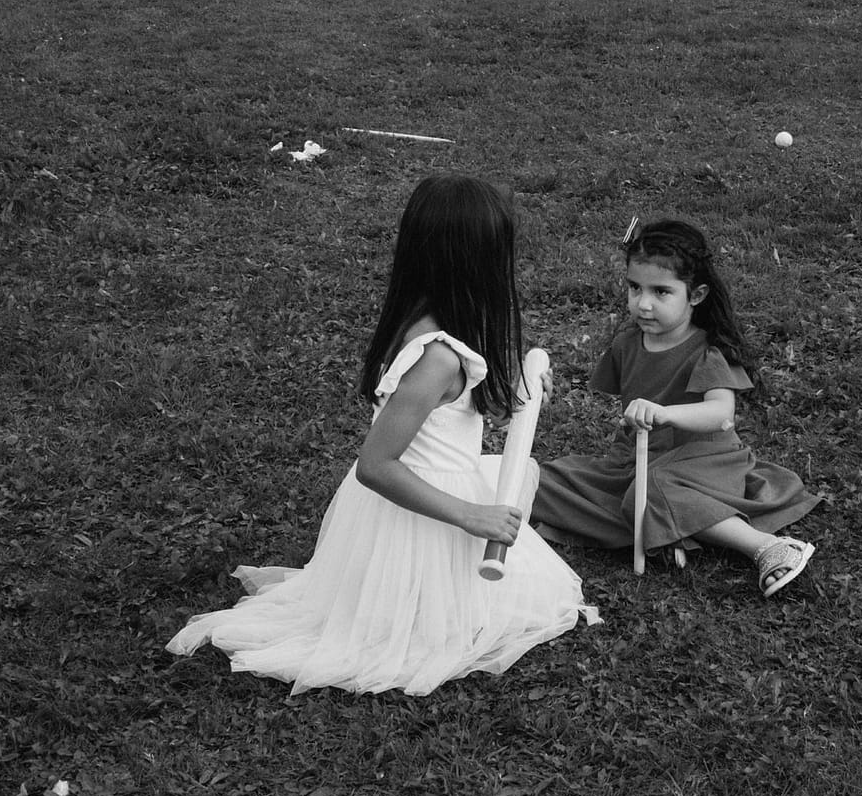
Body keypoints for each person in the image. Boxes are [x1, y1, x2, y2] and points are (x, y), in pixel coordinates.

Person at [166, 175, 598, 695]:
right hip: (420, 514)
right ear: (474, 265)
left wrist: (516, 396)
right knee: (447, 625)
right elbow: (377, 465)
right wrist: (470, 515)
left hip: (430, 491)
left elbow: (449, 418)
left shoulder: (432, 325)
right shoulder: (436, 358)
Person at [533, 218, 820, 597]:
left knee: (649, 490)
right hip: (638, 461)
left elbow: (721, 413)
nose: (643, 303)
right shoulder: (627, 343)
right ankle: (671, 528)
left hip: (703, 463)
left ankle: (767, 547)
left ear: (696, 296)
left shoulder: (706, 351)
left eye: (661, 292)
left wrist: (666, 413)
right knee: (546, 479)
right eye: (635, 288)